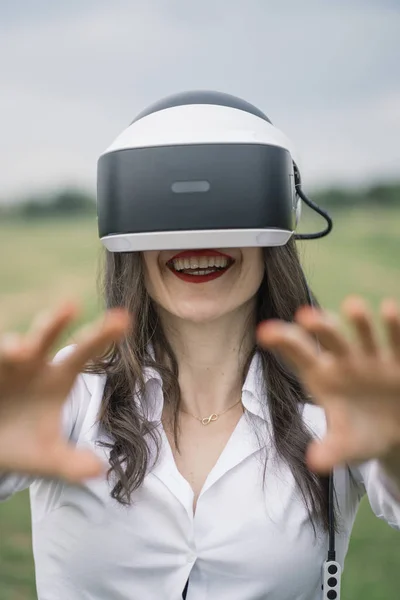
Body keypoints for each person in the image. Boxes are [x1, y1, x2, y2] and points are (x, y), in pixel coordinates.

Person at [1, 93, 400, 600]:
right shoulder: (71, 390)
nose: (197, 240)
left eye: (228, 203)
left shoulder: (333, 398)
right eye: (167, 207)